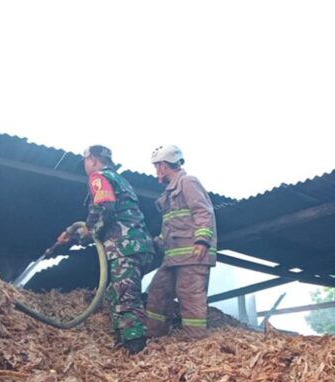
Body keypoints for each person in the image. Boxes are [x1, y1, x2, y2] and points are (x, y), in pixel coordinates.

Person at [57, 145, 154, 354]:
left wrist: (87, 233)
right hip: (141, 246)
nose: (85, 166)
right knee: (113, 294)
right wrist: (75, 233)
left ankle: (136, 349)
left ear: (92, 159)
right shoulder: (122, 180)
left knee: (125, 298)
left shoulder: (98, 177)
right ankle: (123, 341)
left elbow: (103, 206)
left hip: (124, 247)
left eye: (85, 161)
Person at [145, 145, 217, 340]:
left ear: (162, 166)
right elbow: (172, 226)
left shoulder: (188, 182)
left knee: (190, 299)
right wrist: (155, 242)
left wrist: (202, 241)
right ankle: (154, 338)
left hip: (193, 256)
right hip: (174, 258)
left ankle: (195, 344)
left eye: (156, 166)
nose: (156, 171)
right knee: (157, 292)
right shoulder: (169, 193)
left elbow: (203, 212)